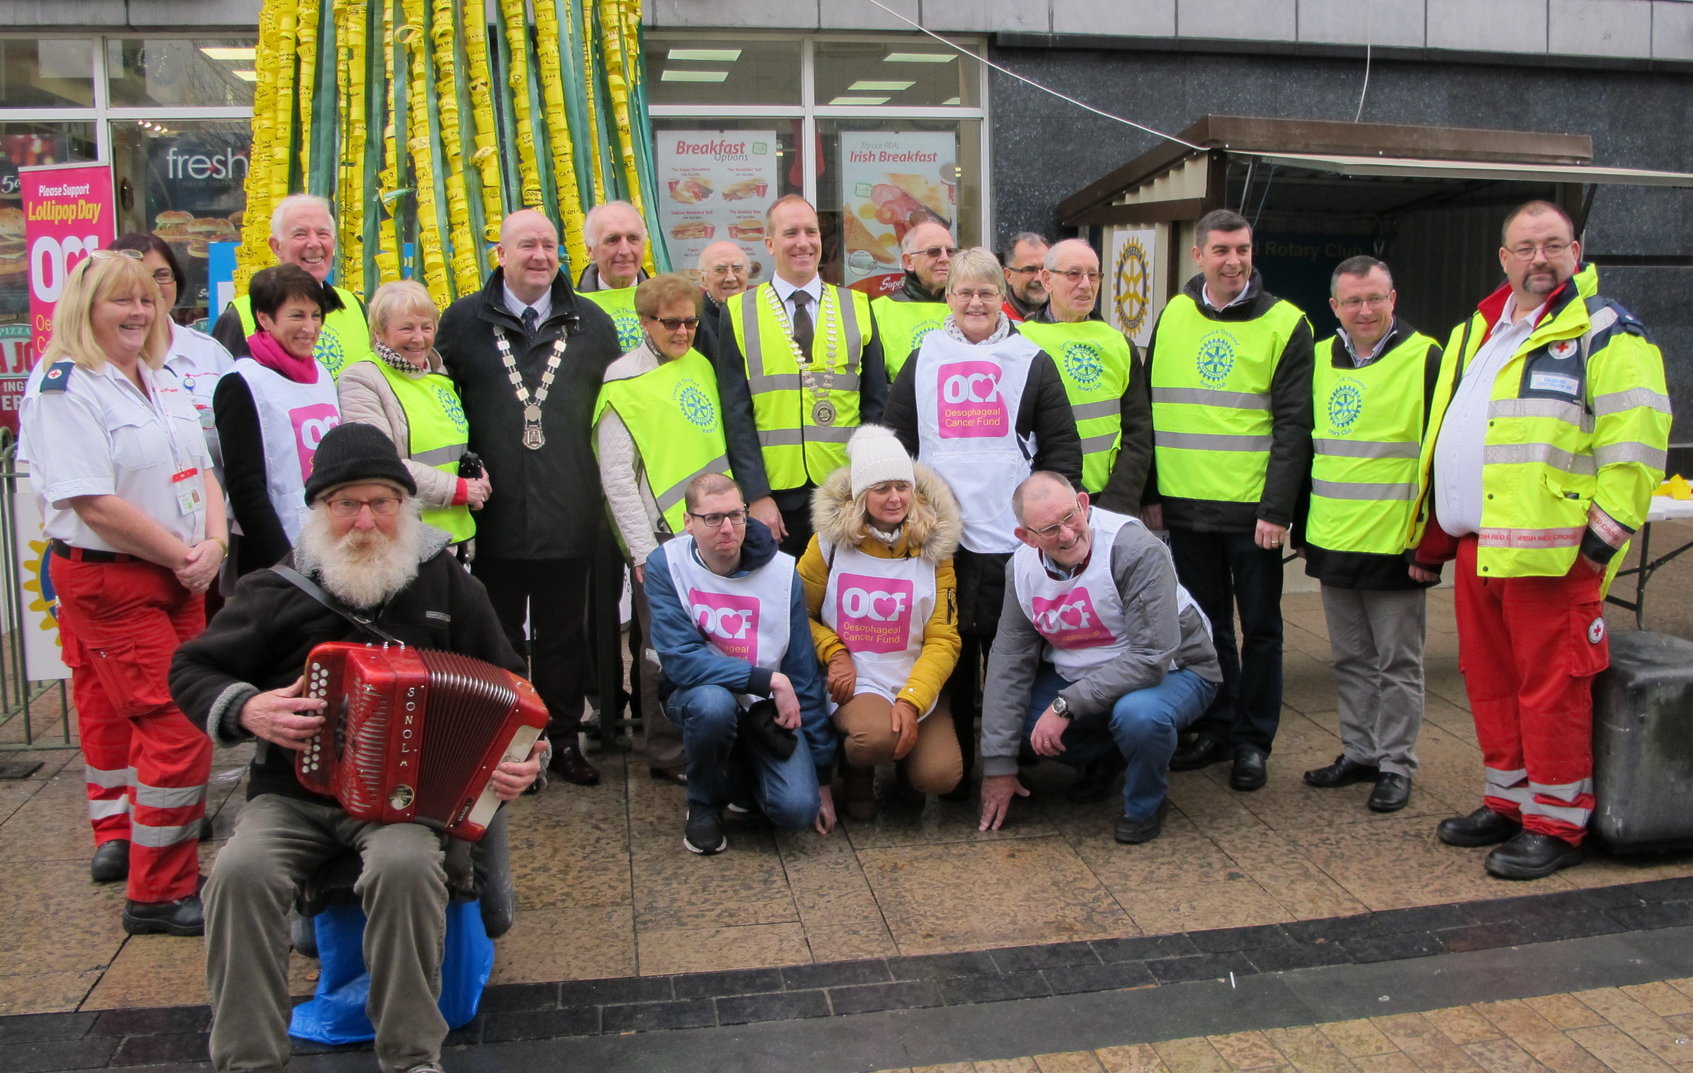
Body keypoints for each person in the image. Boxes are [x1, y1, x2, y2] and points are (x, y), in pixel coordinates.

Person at [170, 422, 544, 1073]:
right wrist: (249, 707)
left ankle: (410, 1056)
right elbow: (190, 670)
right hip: (292, 795)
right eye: (347, 503)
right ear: (321, 509)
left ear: (405, 504)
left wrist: (521, 762)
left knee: (404, 868)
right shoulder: (278, 589)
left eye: (380, 501)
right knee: (238, 873)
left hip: (404, 804)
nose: (364, 519)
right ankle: (247, 1058)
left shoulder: (448, 585)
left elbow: (515, 692)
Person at [1413, 201, 1670, 880]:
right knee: (1491, 684)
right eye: (1524, 248)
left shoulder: (1607, 334)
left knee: (1551, 690)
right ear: (1503, 259)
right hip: (1480, 548)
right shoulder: (1482, 328)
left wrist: (1598, 543)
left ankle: (1556, 823)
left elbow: (1637, 444)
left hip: (1554, 556)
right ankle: (1509, 801)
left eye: (1551, 246)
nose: (1538, 259)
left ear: (1575, 252)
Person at [18, 249, 220, 934]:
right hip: (117, 578)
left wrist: (212, 545)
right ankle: (159, 890)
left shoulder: (157, 377)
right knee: (178, 724)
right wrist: (183, 555)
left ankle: (139, 841)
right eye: (121, 301)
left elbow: (202, 470)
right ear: (86, 308)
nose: (139, 312)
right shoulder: (67, 386)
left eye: (146, 299)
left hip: (178, 572)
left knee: (152, 713)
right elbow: (91, 501)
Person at [884, 246, 1082, 797]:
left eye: (987, 292)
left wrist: (1046, 527)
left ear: (1004, 298)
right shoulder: (924, 357)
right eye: (965, 291)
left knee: (1009, 656)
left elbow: (1062, 450)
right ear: (948, 297)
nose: (975, 301)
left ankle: (1011, 758)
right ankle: (955, 763)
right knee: (950, 657)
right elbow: (894, 439)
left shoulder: (1032, 359)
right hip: (940, 540)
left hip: (1009, 541)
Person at [437, 209, 622, 787]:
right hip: (492, 512)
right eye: (526, 246)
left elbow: (614, 415)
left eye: (549, 246)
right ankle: (506, 747)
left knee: (566, 638)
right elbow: (445, 406)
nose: (540, 256)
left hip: (570, 508)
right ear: (501, 254)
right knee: (499, 636)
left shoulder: (591, 323)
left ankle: (564, 741)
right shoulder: (463, 321)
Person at [1150, 208, 1314, 792]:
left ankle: (1253, 741)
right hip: (1186, 505)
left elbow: (1295, 425)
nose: (1233, 260)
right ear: (1198, 256)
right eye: (1221, 250)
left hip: (1252, 514)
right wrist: (1152, 495)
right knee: (1208, 626)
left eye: (1242, 249)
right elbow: (1150, 407)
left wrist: (1277, 510)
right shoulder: (1171, 314)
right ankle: (1218, 726)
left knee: (1262, 629)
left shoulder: (1286, 323)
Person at [978, 473, 1220, 841]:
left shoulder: (1135, 549)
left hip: (1176, 669)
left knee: (1140, 716)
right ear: (1026, 538)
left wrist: (1065, 705)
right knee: (1020, 724)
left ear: (1084, 504)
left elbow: (1151, 656)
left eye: (1071, 517)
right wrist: (998, 767)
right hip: (1086, 674)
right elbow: (1008, 660)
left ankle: (1145, 803)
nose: (1067, 534)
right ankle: (1108, 756)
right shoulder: (1020, 569)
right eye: (1048, 529)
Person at [1295, 257, 1442, 814]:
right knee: (1350, 659)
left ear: (1393, 298)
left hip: (1395, 543)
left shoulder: (1425, 358)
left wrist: (1428, 544)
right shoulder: (1319, 359)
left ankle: (1396, 764)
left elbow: (1438, 457)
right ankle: (1359, 752)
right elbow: (1312, 447)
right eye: (1353, 301)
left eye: (1375, 298)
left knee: (1398, 664)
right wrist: (1305, 528)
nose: (1364, 310)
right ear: (1334, 306)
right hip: (1334, 538)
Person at [644, 473, 836, 854]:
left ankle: (742, 776)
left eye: (736, 515)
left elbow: (802, 672)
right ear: (688, 523)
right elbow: (681, 661)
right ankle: (704, 805)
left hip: (764, 709)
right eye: (712, 518)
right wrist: (768, 680)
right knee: (713, 705)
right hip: (697, 695)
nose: (727, 528)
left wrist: (823, 777)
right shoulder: (665, 565)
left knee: (797, 810)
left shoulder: (783, 574)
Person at [594, 272, 731, 785]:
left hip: (711, 534)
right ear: (645, 322)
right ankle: (669, 753)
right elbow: (618, 481)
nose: (683, 332)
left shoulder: (698, 364)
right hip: (662, 541)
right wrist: (641, 553)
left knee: (714, 641)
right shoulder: (623, 382)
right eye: (671, 323)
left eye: (691, 322)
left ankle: (708, 738)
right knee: (661, 654)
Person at [800, 425, 963, 820]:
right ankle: (857, 774)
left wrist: (912, 699)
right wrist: (834, 652)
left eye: (902, 487)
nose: (895, 498)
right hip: (858, 678)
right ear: (860, 494)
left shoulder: (934, 547)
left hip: (913, 674)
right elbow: (796, 615)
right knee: (872, 737)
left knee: (942, 774)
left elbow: (944, 639)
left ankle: (909, 780)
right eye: (882, 488)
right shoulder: (828, 544)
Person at [716, 194, 887, 556]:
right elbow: (735, 413)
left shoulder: (856, 306)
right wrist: (756, 495)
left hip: (844, 492)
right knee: (780, 604)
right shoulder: (738, 311)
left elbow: (875, 407)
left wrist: (869, 485)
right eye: (791, 232)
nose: (803, 242)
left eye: (812, 232)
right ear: (769, 243)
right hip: (776, 499)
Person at [336, 280, 489, 552]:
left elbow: (451, 450)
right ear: (379, 333)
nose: (418, 338)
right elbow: (379, 463)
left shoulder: (438, 376)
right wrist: (458, 490)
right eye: (406, 328)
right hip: (404, 546)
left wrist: (477, 475)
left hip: (455, 539)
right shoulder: (362, 380)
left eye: (426, 327)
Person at [214, 264, 342, 577]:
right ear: (264, 318)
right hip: (276, 555)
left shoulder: (322, 375)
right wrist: (284, 565)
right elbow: (246, 489)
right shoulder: (241, 382)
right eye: (297, 315)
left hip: (331, 545)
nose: (309, 328)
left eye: (315, 315)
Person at [1018, 238, 1153, 510]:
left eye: (1093, 275)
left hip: (1109, 500)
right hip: (1043, 501)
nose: (1085, 284)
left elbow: (1138, 433)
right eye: (1073, 274)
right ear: (1046, 280)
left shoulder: (1118, 343)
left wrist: (1119, 502)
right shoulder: (1020, 341)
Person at [108, 232, 235, 475]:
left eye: (162, 275)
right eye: (138, 275)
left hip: (211, 508)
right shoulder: (84, 368)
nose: (151, 287)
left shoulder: (209, 353)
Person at [211, 193, 373, 377]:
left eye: (323, 233)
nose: (314, 243)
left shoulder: (354, 306)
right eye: (300, 234)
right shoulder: (239, 317)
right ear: (276, 246)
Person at [871, 219, 955, 381]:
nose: (945, 258)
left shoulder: (968, 306)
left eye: (950, 251)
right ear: (909, 261)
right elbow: (875, 385)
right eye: (934, 251)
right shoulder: (879, 311)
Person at [577, 200, 650, 352]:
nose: (624, 250)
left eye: (633, 239)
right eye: (612, 240)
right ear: (590, 250)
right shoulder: (572, 310)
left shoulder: (666, 302)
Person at [694, 239, 750, 360]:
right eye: (720, 270)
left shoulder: (762, 312)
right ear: (703, 279)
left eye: (737, 268)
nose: (731, 278)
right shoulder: (693, 321)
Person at [1000, 232, 1050, 323]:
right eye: (1029, 270)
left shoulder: (1070, 316)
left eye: (1045, 269)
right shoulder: (997, 323)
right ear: (1008, 276)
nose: (1039, 278)